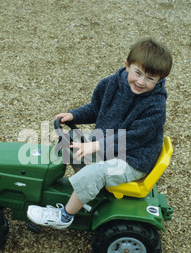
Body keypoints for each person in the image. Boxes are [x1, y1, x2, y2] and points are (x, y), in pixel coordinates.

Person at [27, 37, 173, 229]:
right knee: (67, 143)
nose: (141, 82)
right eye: (138, 73)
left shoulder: (155, 105)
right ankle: (89, 190)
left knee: (95, 172)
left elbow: (135, 137)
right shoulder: (111, 84)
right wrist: (73, 115)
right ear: (127, 65)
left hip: (134, 159)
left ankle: (64, 216)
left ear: (160, 79)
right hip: (110, 145)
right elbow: (96, 108)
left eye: (150, 78)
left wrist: (96, 145)